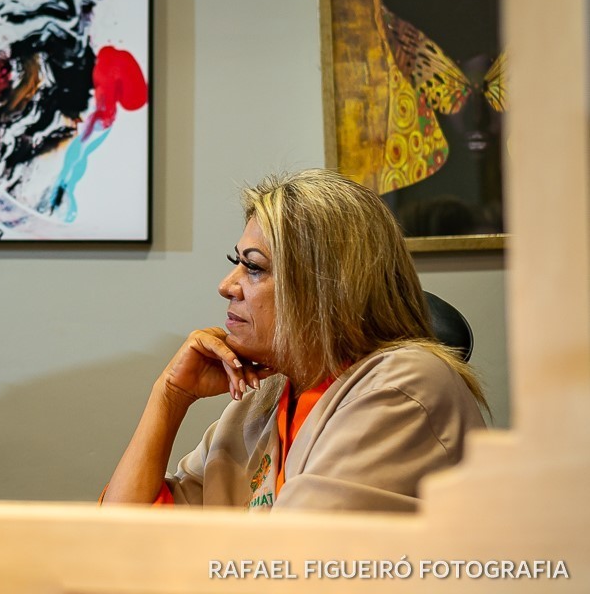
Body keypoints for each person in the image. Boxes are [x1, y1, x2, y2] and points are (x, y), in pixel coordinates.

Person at [102, 169, 486, 512]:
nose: (226, 286)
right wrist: (169, 395)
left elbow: (293, 565)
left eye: (253, 267)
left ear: (325, 287)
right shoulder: (260, 403)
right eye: (236, 262)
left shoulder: (403, 386)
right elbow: (120, 539)